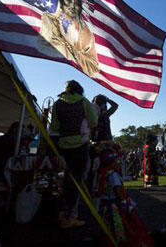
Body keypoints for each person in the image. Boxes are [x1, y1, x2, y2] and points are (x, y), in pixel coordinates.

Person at [50, 80, 98, 227]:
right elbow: (93, 121)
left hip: (63, 145)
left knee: (67, 179)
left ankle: (63, 211)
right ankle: (69, 215)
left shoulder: (57, 103)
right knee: (76, 180)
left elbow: (54, 127)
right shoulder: (83, 101)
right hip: (80, 144)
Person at [96, 148, 153, 247]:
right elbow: (118, 192)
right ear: (112, 161)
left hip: (105, 207)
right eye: (116, 160)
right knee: (123, 229)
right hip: (114, 208)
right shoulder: (113, 175)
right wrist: (126, 206)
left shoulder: (102, 173)